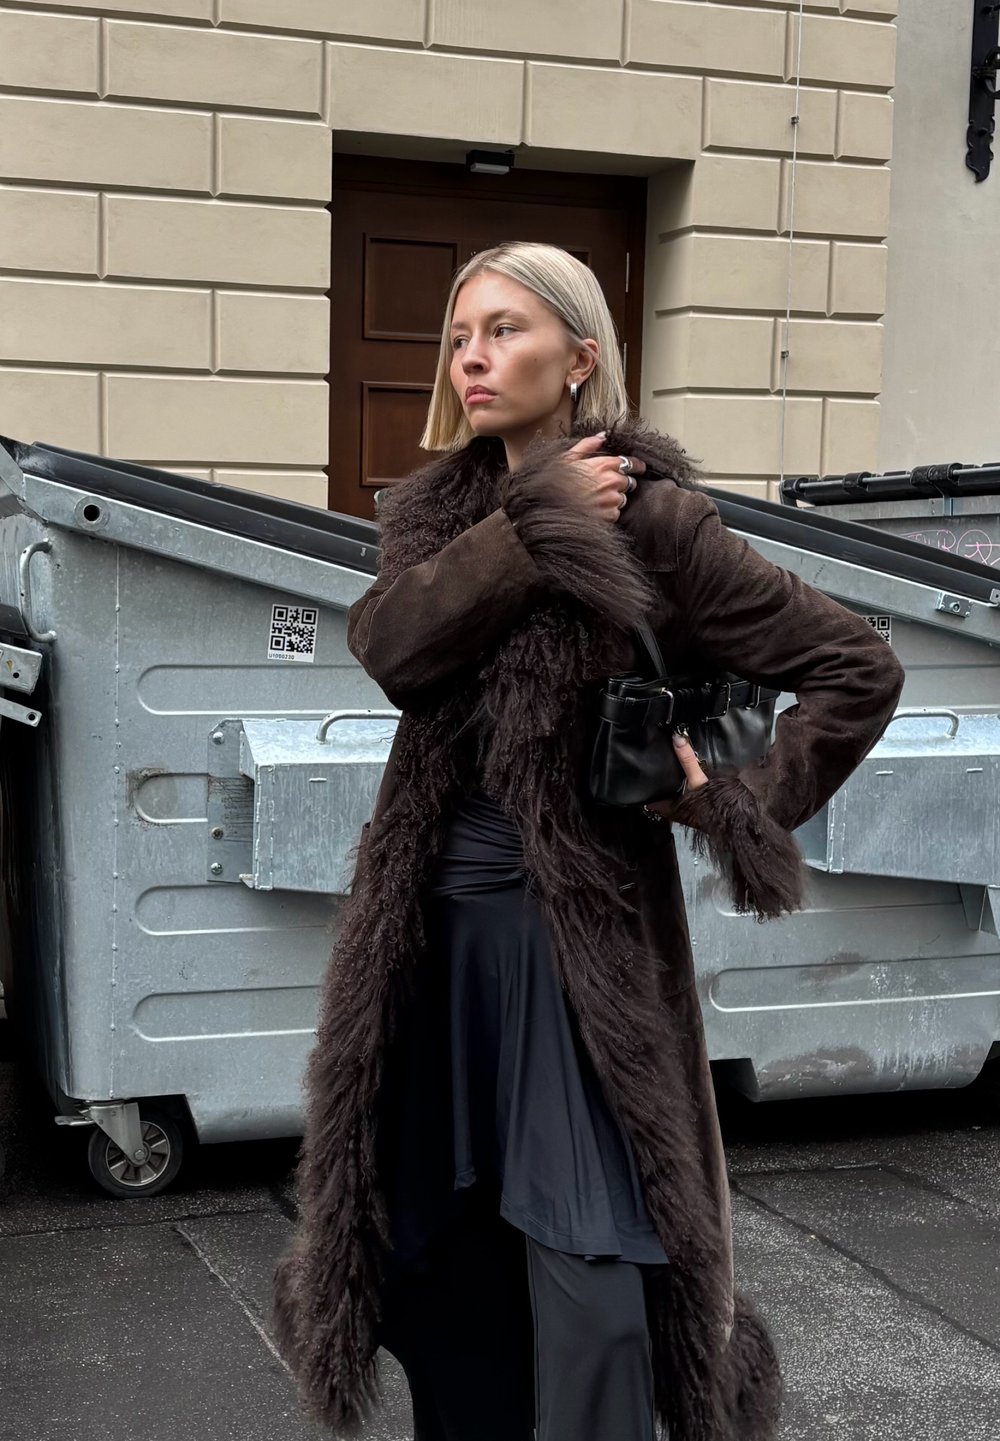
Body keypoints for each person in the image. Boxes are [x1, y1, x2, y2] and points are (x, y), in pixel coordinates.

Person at [273, 242, 905, 1441]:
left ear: (578, 358)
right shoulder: (437, 513)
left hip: (572, 944)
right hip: (431, 938)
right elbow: (391, 648)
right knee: (436, 1247)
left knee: (592, 1264)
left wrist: (736, 795)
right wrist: (531, 528)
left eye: (504, 329)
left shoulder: (654, 518)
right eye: (460, 335)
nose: (471, 357)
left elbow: (854, 667)